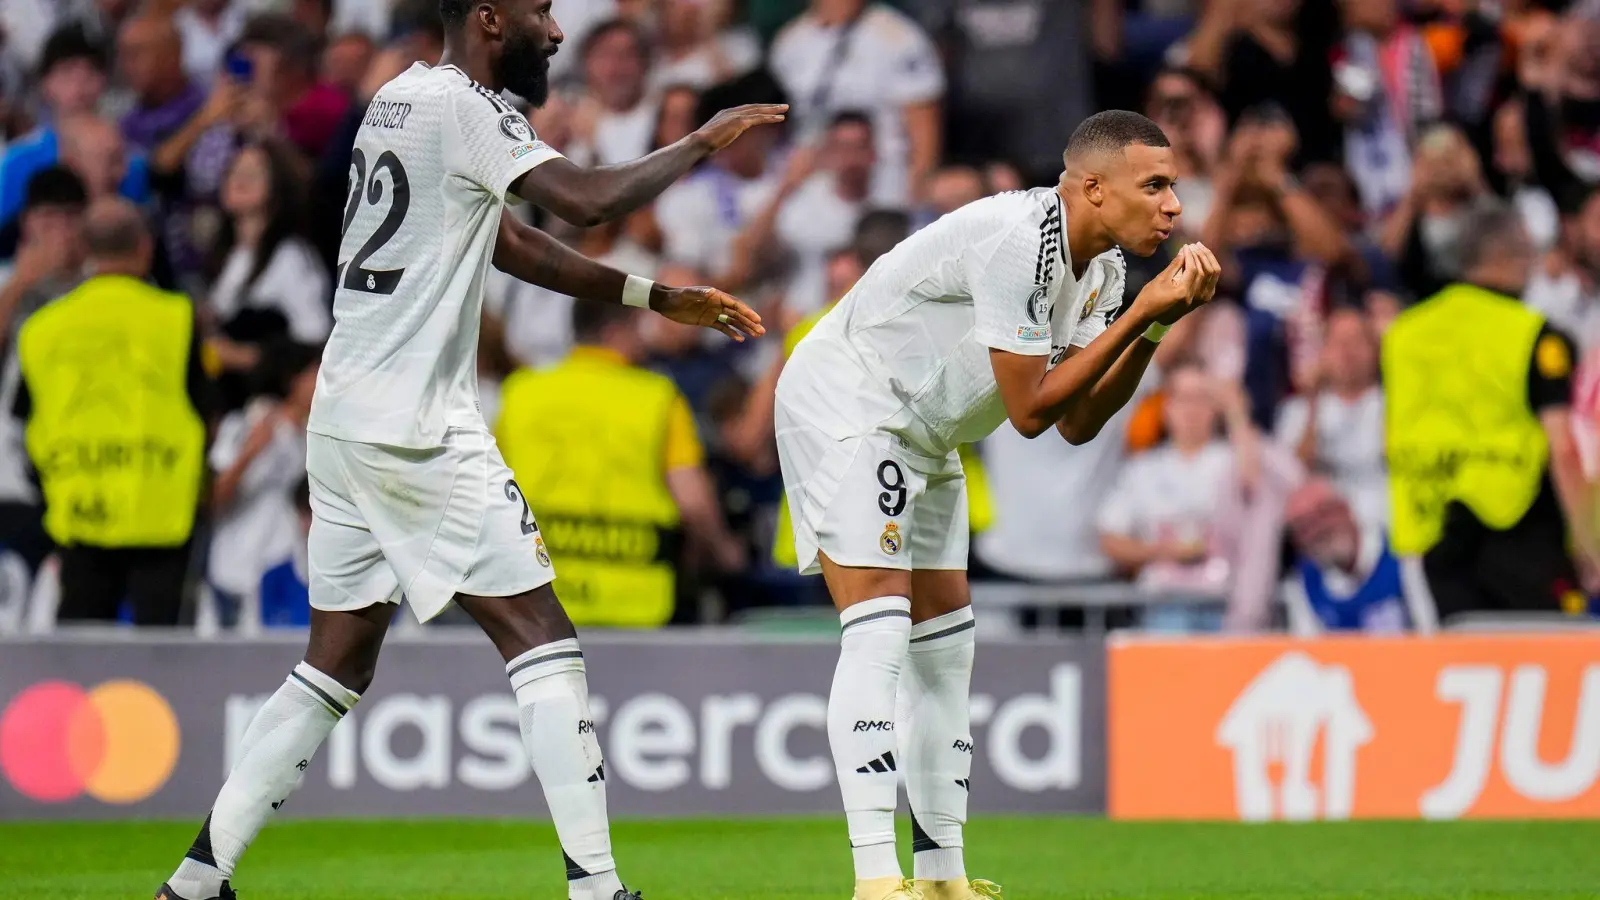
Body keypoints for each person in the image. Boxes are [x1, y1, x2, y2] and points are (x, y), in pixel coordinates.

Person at [153, 0, 781, 896]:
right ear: (490, 19)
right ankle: (599, 889)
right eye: (541, 12)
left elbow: (509, 239)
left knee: (333, 664)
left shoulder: (395, 99)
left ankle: (193, 884)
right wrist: (704, 140)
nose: (556, 32)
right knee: (542, 642)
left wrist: (651, 295)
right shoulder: (471, 107)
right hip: (417, 427)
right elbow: (590, 201)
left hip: (343, 416)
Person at [773, 110, 1218, 900]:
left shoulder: (1105, 271)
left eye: (1173, 186)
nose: (1173, 205)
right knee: (879, 629)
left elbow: (1079, 424)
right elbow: (1032, 410)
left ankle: (942, 880)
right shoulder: (1021, 239)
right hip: (851, 405)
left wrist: (1148, 331)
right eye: (1155, 184)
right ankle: (875, 878)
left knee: (946, 650)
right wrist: (1146, 315)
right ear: (1092, 188)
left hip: (931, 434)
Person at [1383, 203, 1592, 622]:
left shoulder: (1403, 334)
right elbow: (1563, 448)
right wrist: (1590, 545)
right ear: (1510, 255)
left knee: (1467, 664)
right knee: (1543, 669)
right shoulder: (1535, 335)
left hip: (1432, 535)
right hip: (1522, 529)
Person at [15, 199, 210, 626]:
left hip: (79, 511)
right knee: (163, 670)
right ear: (145, 247)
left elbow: (24, 420)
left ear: (84, 250)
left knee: (83, 663)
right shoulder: (177, 317)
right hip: (161, 514)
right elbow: (205, 409)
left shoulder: (42, 328)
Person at [495, 301, 745, 627]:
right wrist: (726, 554)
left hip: (540, 600)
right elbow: (694, 502)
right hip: (637, 604)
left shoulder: (520, 392)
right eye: (640, 326)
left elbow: (486, 491)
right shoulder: (658, 398)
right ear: (616, 331)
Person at [1281, 478, 1425, 634]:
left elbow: (1430, 631)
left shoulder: (1403, 556)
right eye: (1303, 526)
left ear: (1345, 508)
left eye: (1323, 513)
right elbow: (1306, 651)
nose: (1317, 530)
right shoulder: (1305, 585)